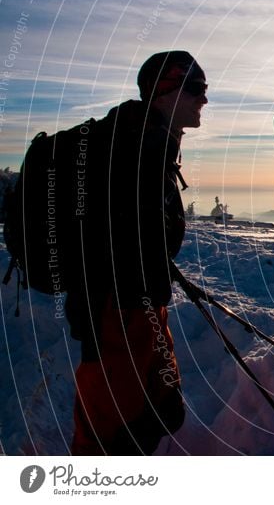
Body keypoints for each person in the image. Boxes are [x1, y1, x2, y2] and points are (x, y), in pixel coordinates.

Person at [68, 51, 208, 455]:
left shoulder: (146, 140)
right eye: (195, 89)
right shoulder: (133, 145)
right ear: (166, 91)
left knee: (151, 407)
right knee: (110, 427)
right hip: (117, 308)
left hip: (140, 301)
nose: (204, 100)